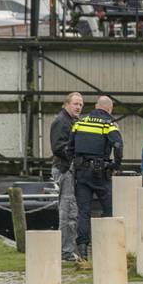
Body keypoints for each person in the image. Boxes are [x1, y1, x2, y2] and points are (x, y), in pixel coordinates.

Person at [68, 95, 124, 258]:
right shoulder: (109, 125)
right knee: (109, 208)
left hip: (82, 174)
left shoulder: (80, 122)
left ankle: (83, 250)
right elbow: (118, 146)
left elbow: (69, 147)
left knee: (83, 211)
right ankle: (107, 247)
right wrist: (116, 165)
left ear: (95, 106)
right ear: (110, 109)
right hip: (101, 174)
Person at [50, 92, 84, 261]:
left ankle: (68, 248)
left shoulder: (73, 121)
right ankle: (66, 251)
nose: (78, 107)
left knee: (71, 210)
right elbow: (57, 147)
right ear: (67, 104)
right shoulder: (61, 121)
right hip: (65, 169)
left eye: (80, 105)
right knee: (68, 210)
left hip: (70, 168)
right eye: (75, 104)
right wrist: (75, 157)